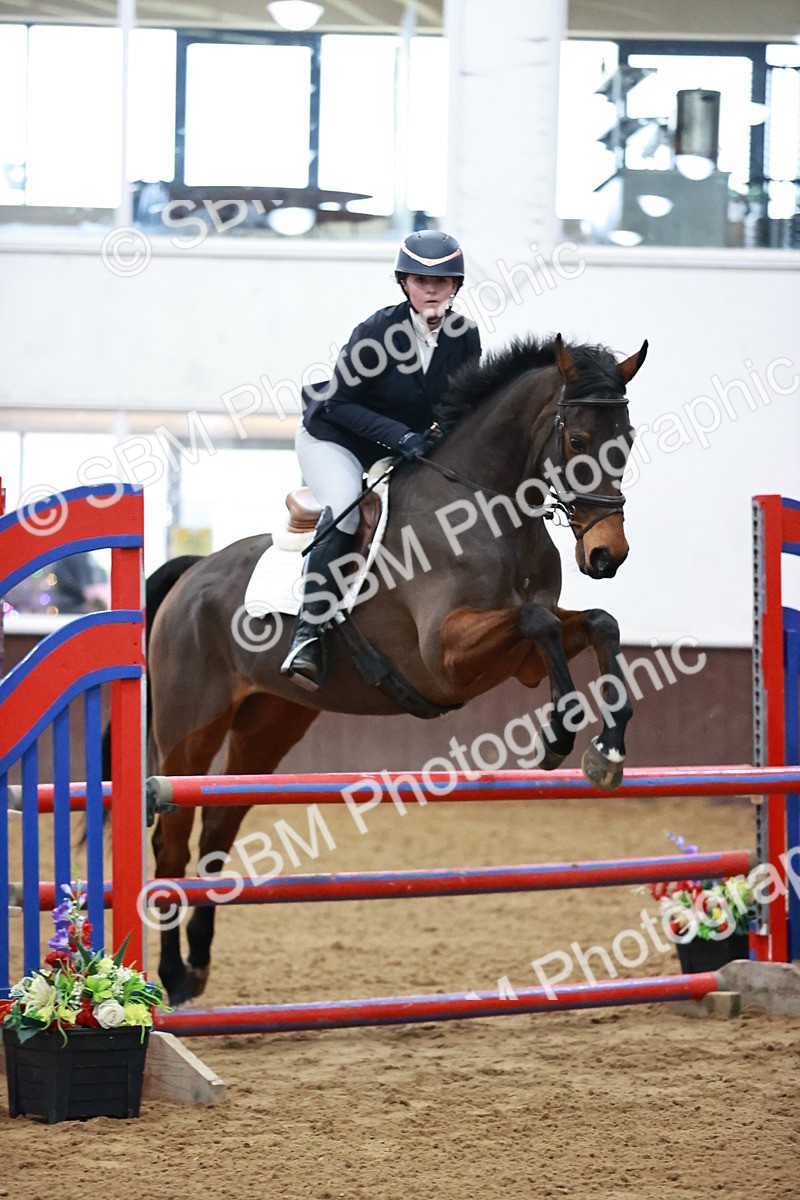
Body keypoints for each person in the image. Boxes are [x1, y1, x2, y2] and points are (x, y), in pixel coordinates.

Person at [280, 229, 482, 690]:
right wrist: (401, 436)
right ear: (404, 284)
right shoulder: (378, 332)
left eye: (441, 282)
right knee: (348, 508)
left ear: (455, 287)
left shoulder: (464, 336)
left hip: (400, 445)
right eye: (420, 280)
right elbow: (340, 405)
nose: (431, 290)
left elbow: (463, 407)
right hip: (335, 438)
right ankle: (307, 636)